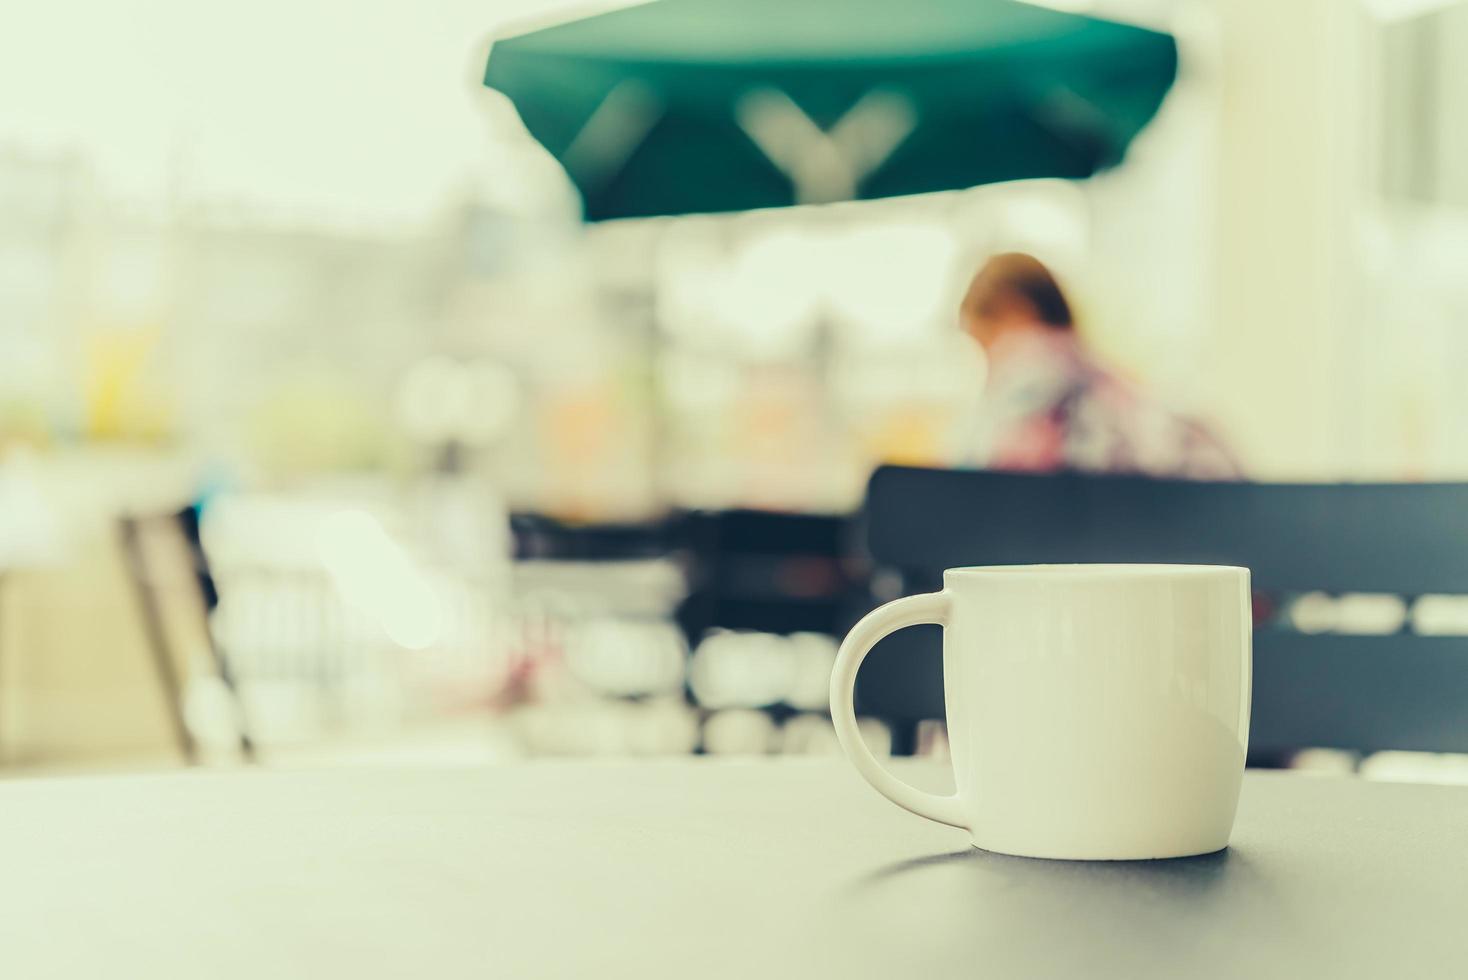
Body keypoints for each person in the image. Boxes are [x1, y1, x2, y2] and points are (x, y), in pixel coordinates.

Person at [956, 253, 1238, 479]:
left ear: (1014, 311)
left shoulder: (1034, 371)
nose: (989, 365)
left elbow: (976, 485)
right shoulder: (1108, 379)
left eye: (984, 342)